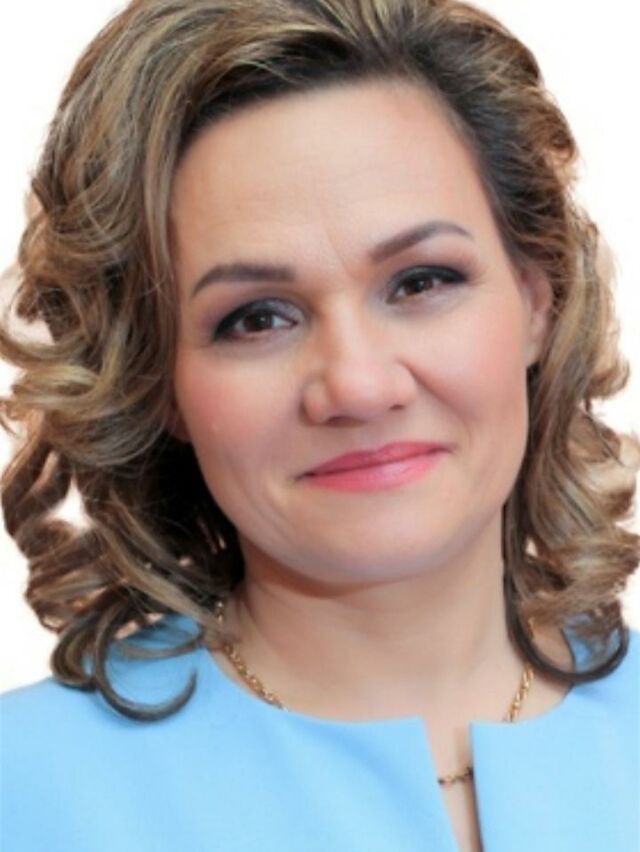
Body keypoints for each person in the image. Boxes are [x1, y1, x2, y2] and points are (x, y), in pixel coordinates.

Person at [1, 1, 638, 850]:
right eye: (257, 318)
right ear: (155, 383)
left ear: (536, 299)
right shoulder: (23, 792)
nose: (358, 386)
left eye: (421, 281)